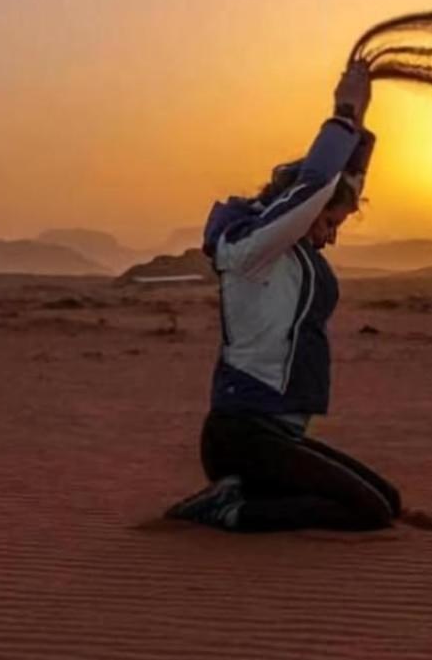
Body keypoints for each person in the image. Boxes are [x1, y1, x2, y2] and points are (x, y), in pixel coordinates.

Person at [165, 58, 402, 533]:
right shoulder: (254, 248)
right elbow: (317, 184)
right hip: (243, 436)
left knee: (389, 501)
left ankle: (245, 496)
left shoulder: (292, 250)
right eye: (329, 223)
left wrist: (360, 121)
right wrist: (343, 110)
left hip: (278, 434)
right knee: (369, 513)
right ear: (302, 209)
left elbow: (336, 184)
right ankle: (231, 511)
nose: (331, 237)